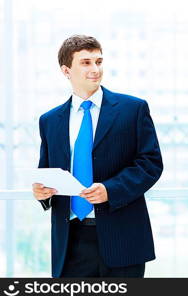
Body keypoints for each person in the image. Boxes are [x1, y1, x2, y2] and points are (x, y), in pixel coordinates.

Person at [32, 35, 163, 278]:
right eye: (86, 62)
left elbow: (150, 164)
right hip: (70, 243)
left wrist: (110, 190)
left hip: (122, 238)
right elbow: (47, 171)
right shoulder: (49, 121)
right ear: (66, 70)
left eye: (98, 61)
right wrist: (42, 193)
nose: (95, 69)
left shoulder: (133, 109)